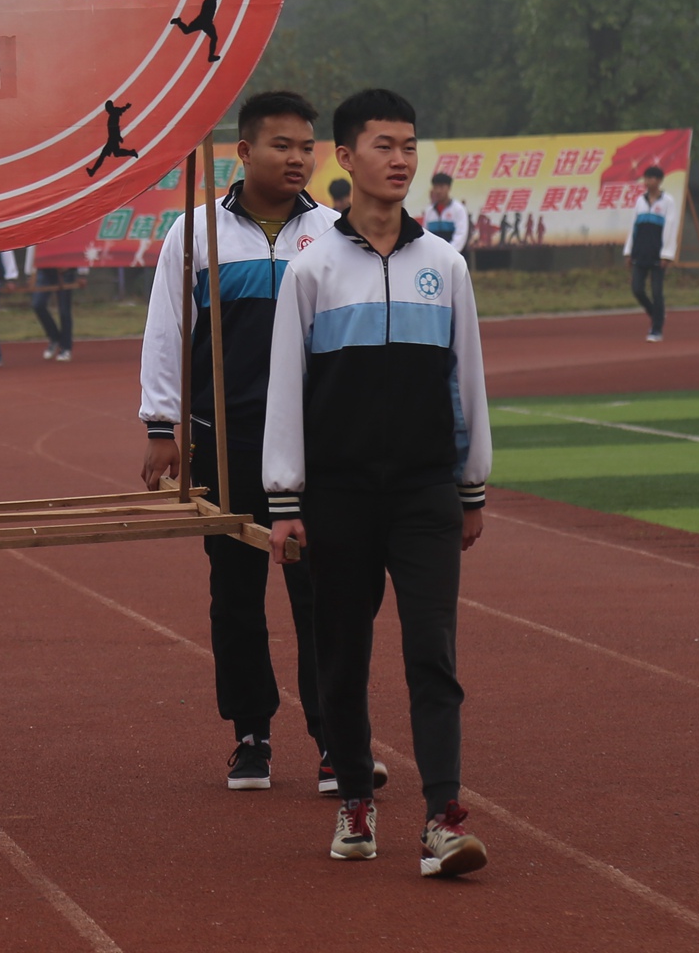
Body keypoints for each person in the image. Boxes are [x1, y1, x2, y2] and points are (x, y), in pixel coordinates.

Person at [263, 88, 489, 878]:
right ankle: (355, 800)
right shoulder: (311, 270)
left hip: (425, 494)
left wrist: (471, 485)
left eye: (409, 146)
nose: (400, 160)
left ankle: (442, 818)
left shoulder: (445, 265)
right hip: (339, 497)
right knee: (342, 654)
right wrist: (285, 500)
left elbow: (468, 382)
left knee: (433, 653)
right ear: (346, 157)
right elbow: (285, 391)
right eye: (384, 145)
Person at [137, 92, 352, 794]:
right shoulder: (195, 233)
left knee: (319, 592)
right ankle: (251, 734)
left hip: (312, 441)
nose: (298, 159)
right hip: (223, 438)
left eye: (306, 147)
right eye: (282, 145)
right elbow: (167, 329)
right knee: (235, 593)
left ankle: (333, 737)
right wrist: (162, 426)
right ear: (244, 151)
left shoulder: (335, 233)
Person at [623, 165, 678, 342]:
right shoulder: (640, 201)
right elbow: (633, 227)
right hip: (640, 252)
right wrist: (628, 251)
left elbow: (670, 228)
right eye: (646, 178)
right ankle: (655, 313)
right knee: (637, 289)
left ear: (660, 181)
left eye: (653, 178)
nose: (649, 181)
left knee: (656, 291)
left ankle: (656, 329)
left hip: (657, 254)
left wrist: (666, 254)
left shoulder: (668, 201)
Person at [28, 250, 81, 361]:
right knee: (38, 304)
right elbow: (33, 246)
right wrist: (30, 271)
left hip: (66, 268)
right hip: (44, 268)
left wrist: (83, 272)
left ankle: (66, 347)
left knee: (64, 310)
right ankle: (54, 338)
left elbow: (78, 244)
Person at [420, 172, 470, 256]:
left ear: (449, 188)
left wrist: (449, 254)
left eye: (441, 187)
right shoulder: (429, 210)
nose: (438, 191)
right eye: (435, 187)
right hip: (434, 256)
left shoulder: (459, 209)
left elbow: (460, 235)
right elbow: (426, 234)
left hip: (455, 256)